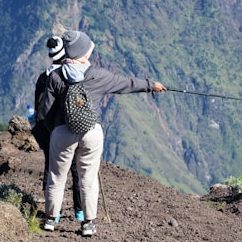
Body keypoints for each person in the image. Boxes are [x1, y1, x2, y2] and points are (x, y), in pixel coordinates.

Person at [41, 30, 167, 236]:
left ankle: (50, 220)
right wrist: (152, 85)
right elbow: (128, 83)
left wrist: (55, 129)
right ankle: (88, 224)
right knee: (88, 178)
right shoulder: (99, 75)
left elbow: (46, 110)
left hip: (63, 133)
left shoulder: (55, 76)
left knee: (56, 177)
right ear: (83, 51)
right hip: (91, 132)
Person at [31, 36, 84, 223]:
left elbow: (39, 108)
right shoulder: (71, 75)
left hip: (48, 131)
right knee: (77, 170)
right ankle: (80, 211)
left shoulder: (43, 77)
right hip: (70, 128)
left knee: (52, 171)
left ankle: (53, 212)